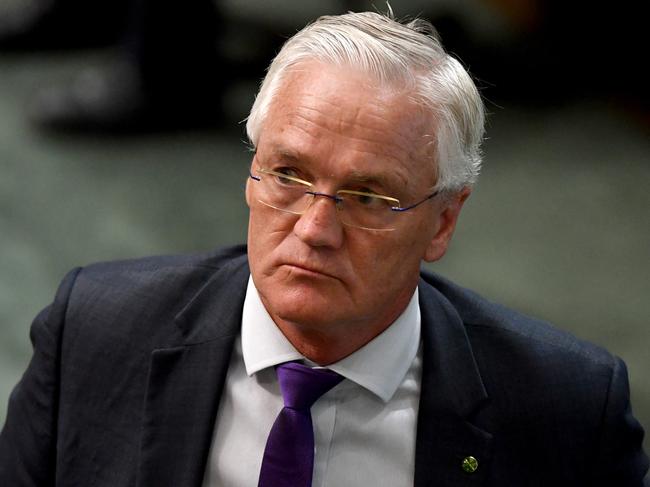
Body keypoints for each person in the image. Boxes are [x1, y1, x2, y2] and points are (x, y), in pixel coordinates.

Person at [0, 10, 647, 487]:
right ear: (252, 172)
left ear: (444, 221)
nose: (314, 227)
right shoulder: (94, 334)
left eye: (367, 197)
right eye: (288, 174)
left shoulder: (566, 411)